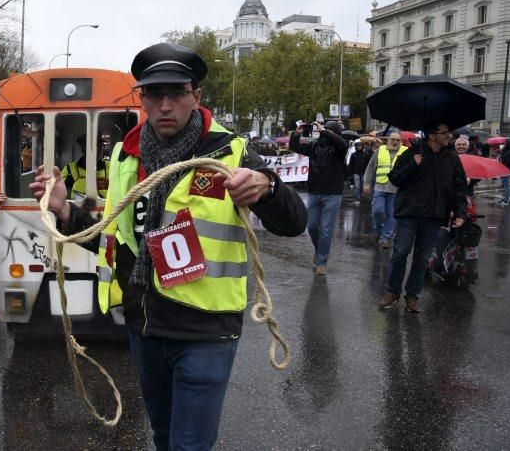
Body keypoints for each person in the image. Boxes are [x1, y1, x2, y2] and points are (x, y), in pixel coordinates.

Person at [30, 43, 307, 450]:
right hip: (145, 327)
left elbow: (293, 223)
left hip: (206, 331)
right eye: (153, 95)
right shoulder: (128, 155)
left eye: (176, 93)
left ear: (196, 97)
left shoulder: (230, 152)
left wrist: (269, 189)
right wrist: (66, 212)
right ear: (141, 99)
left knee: (189, 446)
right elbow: (117, 238)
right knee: (162, 435)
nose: (165, 105)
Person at [378, 122, 467, 313]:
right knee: (401, 252)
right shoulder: (412, 153)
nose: (448, 136)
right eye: (444, 133)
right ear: (432, 135)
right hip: (410, 213)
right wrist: (413, 164)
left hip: (434, 215)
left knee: (422, 258)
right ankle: (393, 291)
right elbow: (395, 178)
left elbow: (459, 187)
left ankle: (412, 296)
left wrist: (460, 212)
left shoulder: (451, 158)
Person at [289, 119, 348, 275]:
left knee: (326, 231)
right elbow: (294, 146)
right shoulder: (314, 145)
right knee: (312, 227)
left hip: (333, 193)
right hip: (314, 192)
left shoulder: (339, 148)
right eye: (324, 130)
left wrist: (323, 130)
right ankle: (319, 250)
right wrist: (296, 134)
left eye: (329, 131)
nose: (323, 132)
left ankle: (322, 261)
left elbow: (341, 143)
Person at [363, 131, 406, 248]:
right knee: (377, 210)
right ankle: (377, 230)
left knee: (391, 214)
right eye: (393, 139)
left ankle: (386, 237)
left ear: (401, 141)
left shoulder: (405, 151)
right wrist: (367, 183)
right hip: (380, 186)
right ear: (388, 140)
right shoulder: (380, 150)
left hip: (396, 189)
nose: (395, 142)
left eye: (398, 140)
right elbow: (371, 167)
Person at [61, 132, 110, 199]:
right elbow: (59, 194)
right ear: (83, 149)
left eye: (101, 145)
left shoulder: (111, 167)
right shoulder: (69, 169)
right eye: (96, 145)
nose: (100, 149)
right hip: (75, 208)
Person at [348, 141, 369, 206]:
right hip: (355, 172)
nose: (359, 147)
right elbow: (351, 165)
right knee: (357, 186)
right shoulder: (353, 154)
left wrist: (367, 172)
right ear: (356, 147)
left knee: (362, 186)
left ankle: (360, 196)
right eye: (358, 146)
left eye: (360, 146)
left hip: (363, 172)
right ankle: (357, 199)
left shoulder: (366, 154)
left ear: (362, 147)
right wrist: (350, 174)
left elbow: (368, 164)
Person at [498, 140, 510, 205]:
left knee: (506, 186)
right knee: (507, 185)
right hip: (508, 169)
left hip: (505, 170)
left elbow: (506, 162)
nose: (505, 144)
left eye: (506, 143)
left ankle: (506, 200)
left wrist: (501, 159)